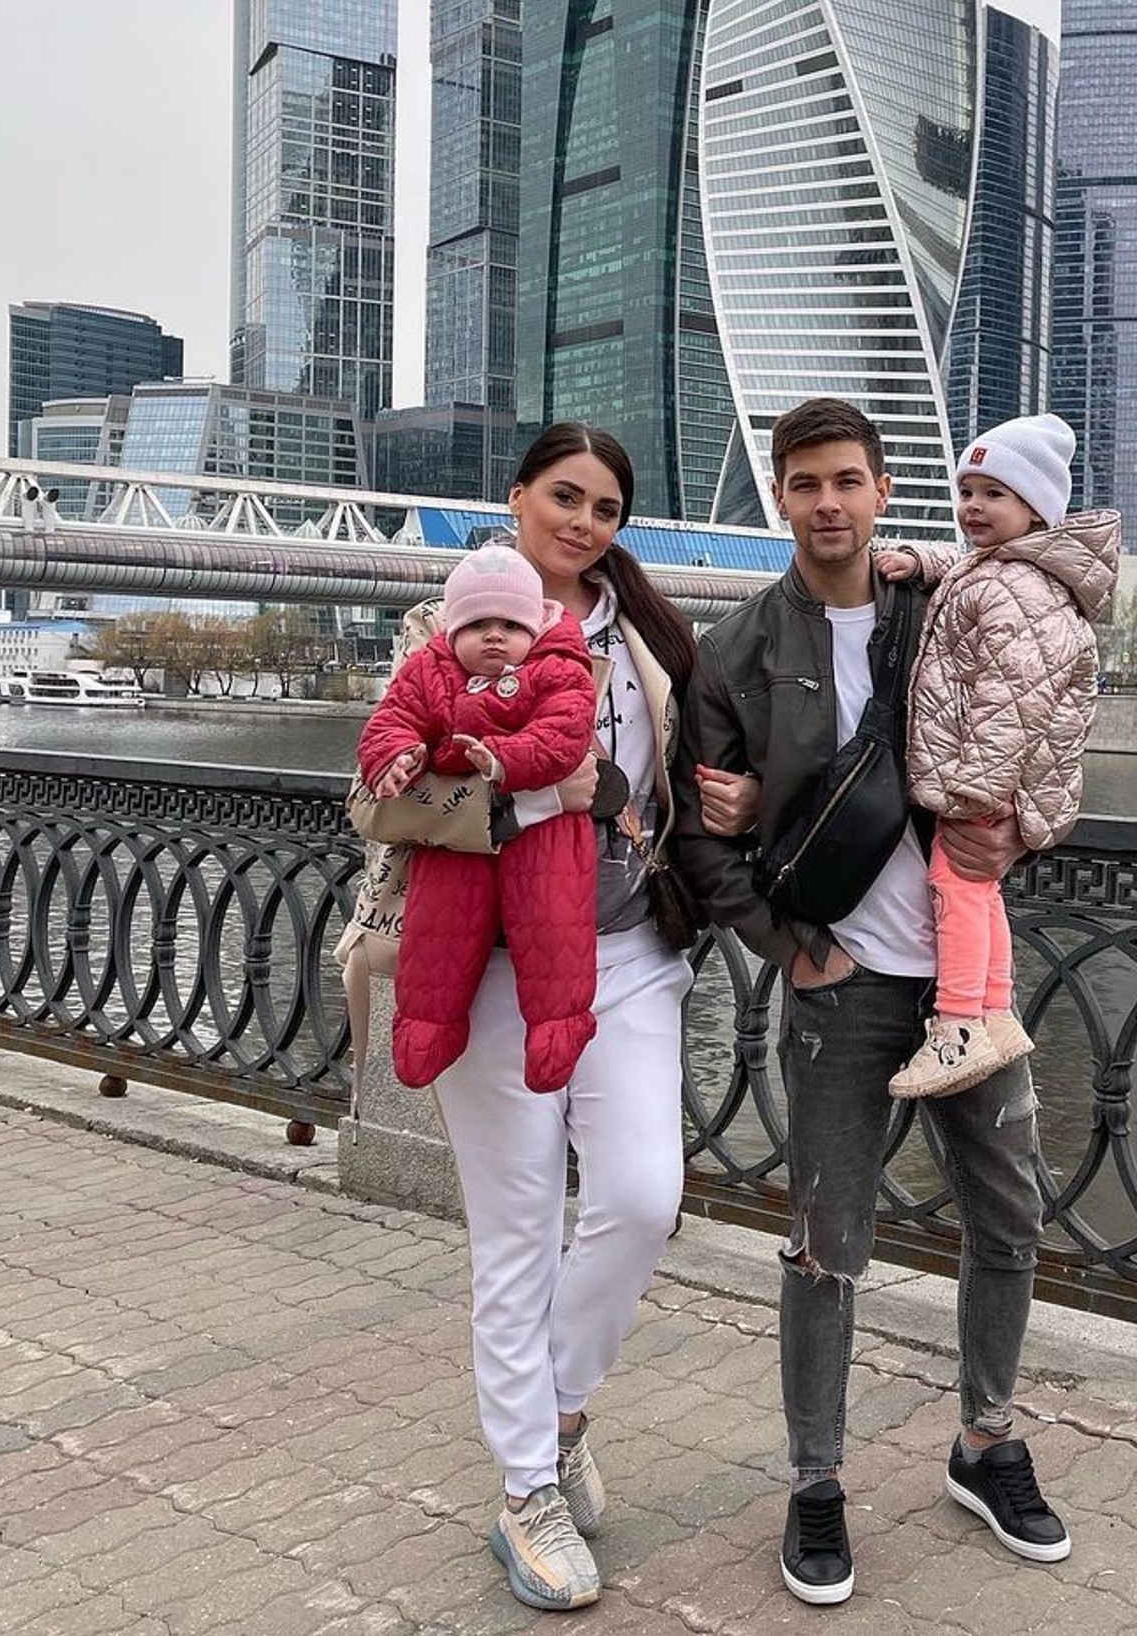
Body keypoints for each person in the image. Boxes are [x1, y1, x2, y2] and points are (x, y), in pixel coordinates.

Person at [674, 398, 1071, 1608]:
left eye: (847, 479)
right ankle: (816, 1480)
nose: (827, 503)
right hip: (840, 985)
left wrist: (1024, 828)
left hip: (965, 985)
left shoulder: (943, 599)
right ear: (779, 495)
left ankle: (985, 1440)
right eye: (804, 483)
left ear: (883, 488)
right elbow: (700, 835)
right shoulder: (737, 647)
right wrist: (791, 947)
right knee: (825, 1247)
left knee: (1010, 1215)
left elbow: (1042, 705)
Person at [355, 423, 731, 1613]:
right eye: (564, 496)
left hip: (625, 953)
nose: (582, 522)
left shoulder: (651, 637)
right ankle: (526, 1487)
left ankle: (557, 1415)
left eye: (606, 507)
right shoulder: (438, 630)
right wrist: (536, 796)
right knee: (515, 1234)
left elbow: (686, 780)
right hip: (484, 964)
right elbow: (381, 795)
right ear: (516, 498)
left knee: (642, 1195)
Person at [876, 414, 1120, 1099]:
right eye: (967, 492)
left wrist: (975, 789)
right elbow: (966, 573)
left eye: (994, 495)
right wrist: (922, 562)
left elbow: (1010, 698)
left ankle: (956, 1027)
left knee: (955, 886)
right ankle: (996, 1012)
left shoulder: (1018, 587)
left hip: (987, 778)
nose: (973, 507)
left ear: (1035, 509)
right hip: (1007, 778)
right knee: (979, 892)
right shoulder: (1011, 572)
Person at [354, 543, 599, 1093]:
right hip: (456, 841)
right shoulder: (429, 668)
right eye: (478, 625)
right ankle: (426, 1027)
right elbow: (391, 719)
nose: (494, 636)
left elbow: (564, 734)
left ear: (534, 628)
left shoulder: (559, 666)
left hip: (546, 833)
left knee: (554, 921)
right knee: (439, 925)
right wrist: (395, 758)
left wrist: (504, 759)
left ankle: (559, 1027)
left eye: (510, 625)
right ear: (453, 629)